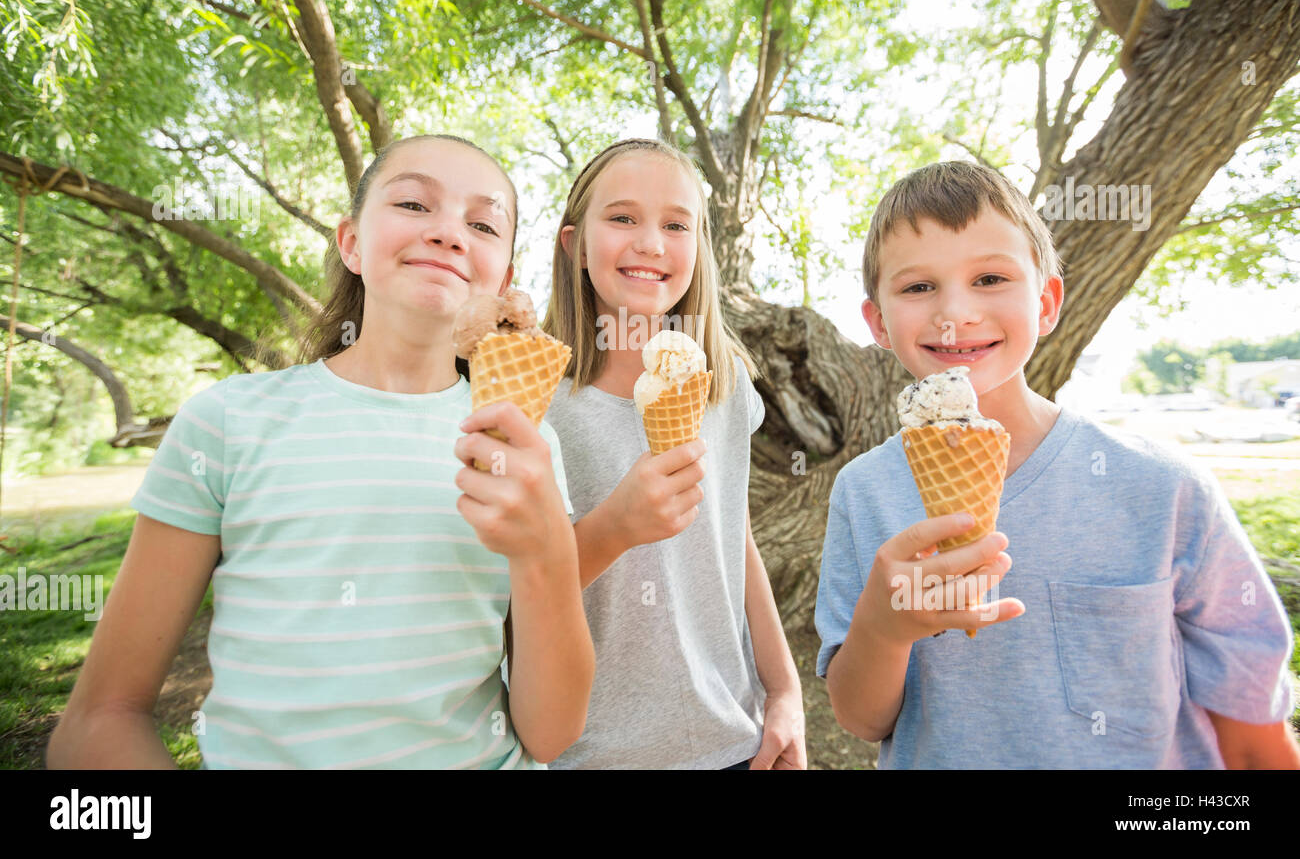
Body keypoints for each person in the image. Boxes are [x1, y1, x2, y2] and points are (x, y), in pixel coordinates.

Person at [46, 134, 593, 769]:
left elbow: (551, 734)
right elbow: (100, 719)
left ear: (504, 278)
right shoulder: (226, 422)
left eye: (482, 223)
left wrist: (549, 549)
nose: (449, 234)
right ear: (352, 243)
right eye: (415, 205)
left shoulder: (527, 442)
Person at [816, 160, 1299, 768]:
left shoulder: (1162, 489)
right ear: (878, 322)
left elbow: (1254, 735)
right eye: (918, 287)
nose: (955, 312)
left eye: (990, 278)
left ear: (1046, 303)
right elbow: (862, 718)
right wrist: (884, 630)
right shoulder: (863, 492)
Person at [540, 138, 805, 769]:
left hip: (733, 740)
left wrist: (786, 690)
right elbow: (510, 592)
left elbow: (734, 543)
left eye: (676, 224)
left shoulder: (726, 383)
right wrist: (613, 528)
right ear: (574, 244)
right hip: (589, 752)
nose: (651, 243)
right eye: (623, 218)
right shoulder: (534, 402)